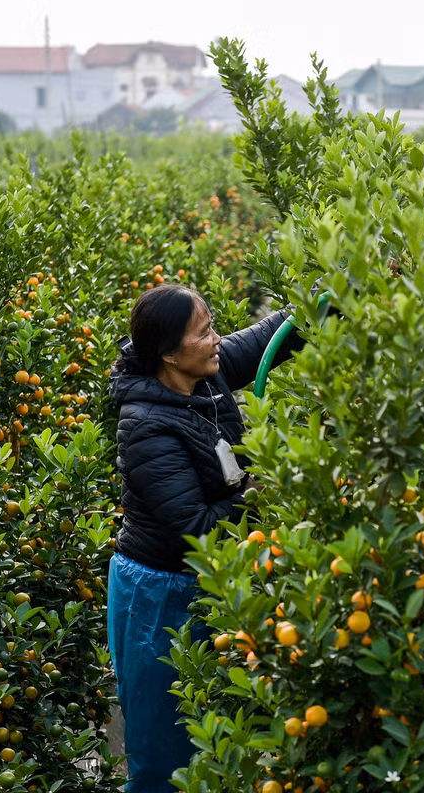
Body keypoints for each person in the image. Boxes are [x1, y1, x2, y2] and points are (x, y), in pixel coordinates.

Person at [107, 284, 305, 792]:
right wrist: (260, 489)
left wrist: (335, 296)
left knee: (222, 732)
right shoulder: (145, 425)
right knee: (166, 745)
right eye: (205, 332)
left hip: (213, 578)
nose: (217, 339)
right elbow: (195, 530)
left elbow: (273, 336)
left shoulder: (203, 373)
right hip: (160, 593)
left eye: (213, 325)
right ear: (170, 354)